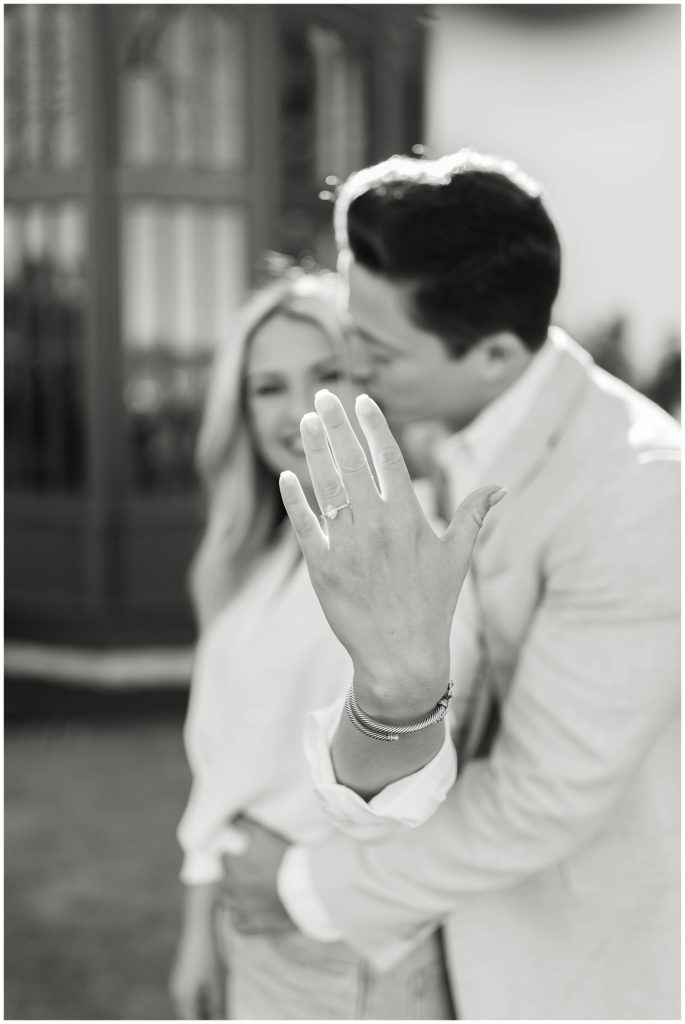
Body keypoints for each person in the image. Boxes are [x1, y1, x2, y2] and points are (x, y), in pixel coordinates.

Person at [222, 151, 681, 1020]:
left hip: (560, 972)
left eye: (377, 346)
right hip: (416, 957)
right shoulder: (433, 425)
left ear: (496, 353)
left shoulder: (642, 492)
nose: (346, 357)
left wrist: (301, 888)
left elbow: (542, 798)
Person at [169, 270, 498, 1020]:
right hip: (244, 930)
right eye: (266, 387)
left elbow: (429, 754)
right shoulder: (244, 565)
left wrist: (302, 881)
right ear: (238, 410)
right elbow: (218, 765)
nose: (297, 412)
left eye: (324, 377)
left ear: (366, 381)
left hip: (346, 949)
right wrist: (197, 929)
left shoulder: (423, 542)